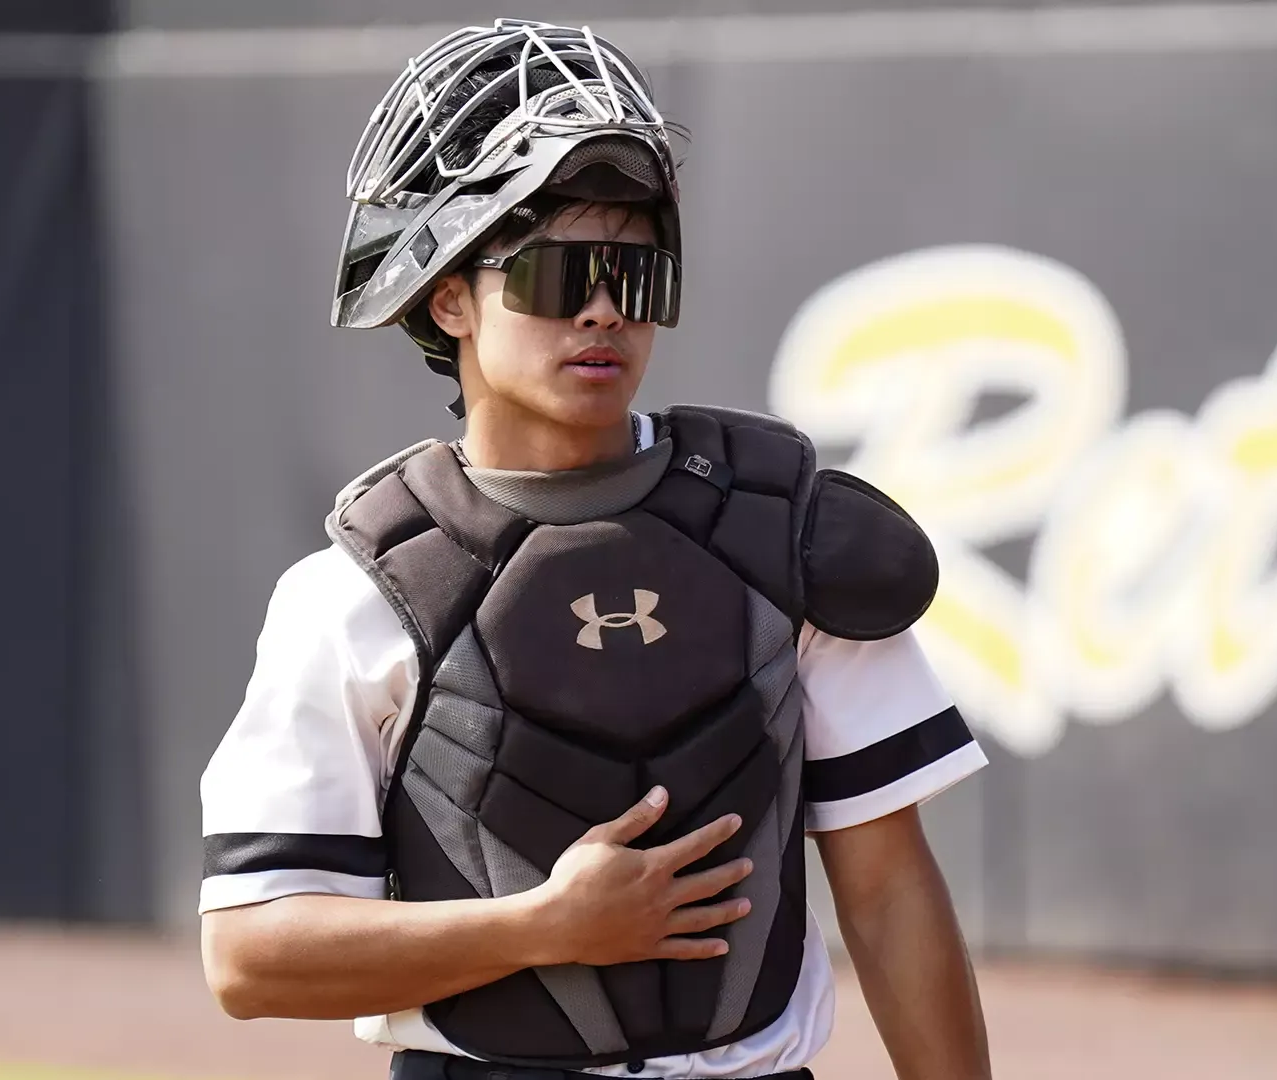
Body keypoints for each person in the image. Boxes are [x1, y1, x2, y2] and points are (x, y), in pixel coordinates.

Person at [198, 19, 991, 1080]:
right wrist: (543, 927)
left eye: (636, 272)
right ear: (449, 298)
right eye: (558, 277)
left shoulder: (780, 536)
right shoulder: (358, 593)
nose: (606, 310)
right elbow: (251, 957)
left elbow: (890, 889)